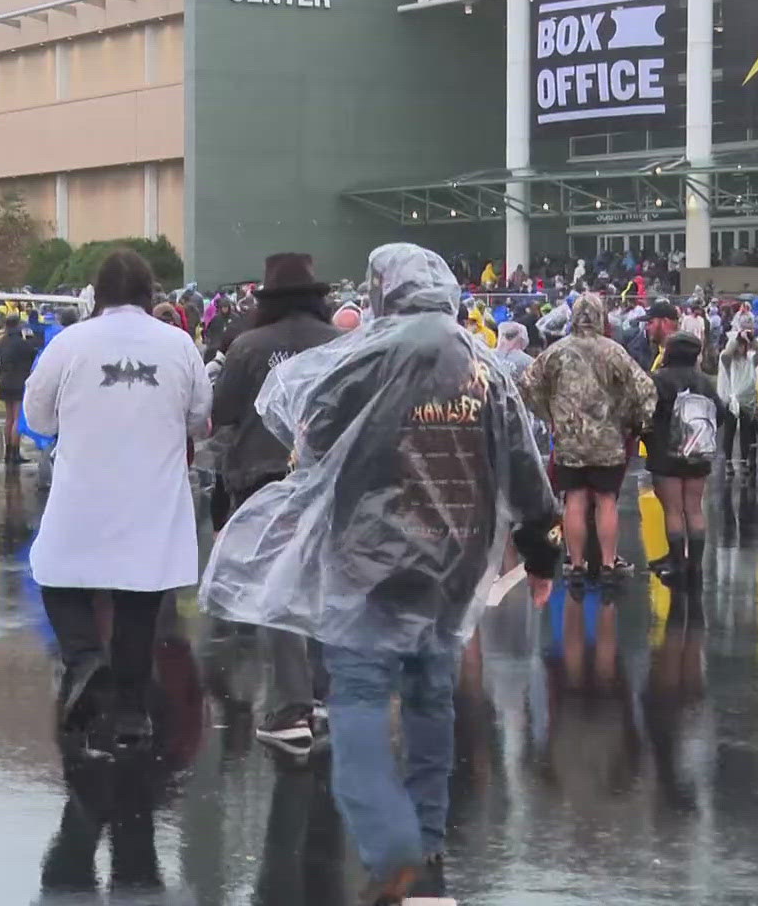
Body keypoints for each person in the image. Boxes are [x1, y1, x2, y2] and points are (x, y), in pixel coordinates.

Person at [199, 243, 559, 905]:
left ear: (380, 290)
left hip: (370, 559)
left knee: (360, 698)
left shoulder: (358, 361)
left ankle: (393, 853)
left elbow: (312, 448)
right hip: (452, 562)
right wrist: (542, 551)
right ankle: (422, 844)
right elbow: (524, 463)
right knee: (430, 696)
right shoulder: (484, 365)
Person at [23, 250, 212, 750]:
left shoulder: (69, 342)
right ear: (150, 294)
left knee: (57, 577)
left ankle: (86, 660)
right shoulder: (179, 345)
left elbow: (37, 416)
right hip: (152, 489)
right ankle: (131, 711)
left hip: (83, 485)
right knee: (140, 598)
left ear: (98, 294)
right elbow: (200, 417)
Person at [210, 252, 339, 756]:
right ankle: (325, 694)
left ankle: (291, 707)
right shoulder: (342, 344)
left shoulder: (247, 346)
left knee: (277, 587)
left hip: (264, 480)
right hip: (326, 478)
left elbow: (221, 413)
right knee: (322, 583)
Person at [521, 292, 657, 586]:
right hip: (608, 439)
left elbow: (527, 384)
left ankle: (577, 563)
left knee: (575, 500)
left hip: (569, 438)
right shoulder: (614, 351)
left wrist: (549, 414)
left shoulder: (557, 351)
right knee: (607, 500)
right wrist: (634, 419)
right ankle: (608, 563)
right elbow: (645, 388)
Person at [646, 333, 727, 582]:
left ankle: (677, 561)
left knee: (673, 510)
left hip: (665, 453)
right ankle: (696, 565)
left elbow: (647, 412)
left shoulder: (658, 380)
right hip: (697, 454)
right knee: (694, 508)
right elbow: (720, 413)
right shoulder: (704, 382)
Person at [716, 313, 758, 475]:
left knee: (746, 431)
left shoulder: (750, 360)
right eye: (741, 345)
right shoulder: (728, 361)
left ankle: (744, 461)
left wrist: (751, 339)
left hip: (747, 400)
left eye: (745, 345)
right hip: (731, 400)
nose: (743, 348)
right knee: (729, 431)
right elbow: (726, 354)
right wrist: (736, 338)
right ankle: (728, 462)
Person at [0, 315, 36, 465]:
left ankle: (8, 451)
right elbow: (32, 355)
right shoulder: (23, 344)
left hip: (5, 380)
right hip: (18, 381)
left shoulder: (3, 341)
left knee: (9, 418)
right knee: (17, 418)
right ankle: (15, 451)